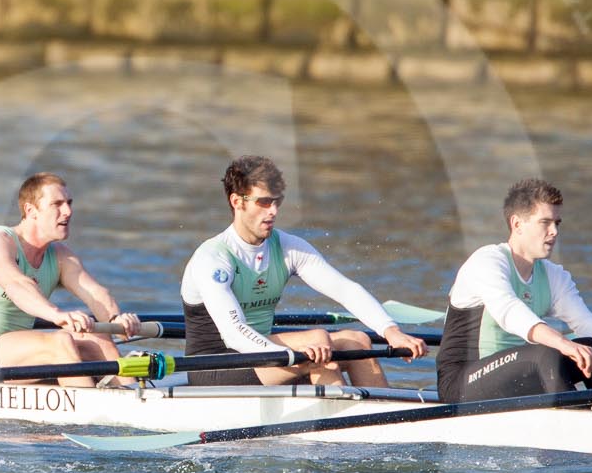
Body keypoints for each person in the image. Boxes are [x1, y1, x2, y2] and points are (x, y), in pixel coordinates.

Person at [180, 155, 426, 387]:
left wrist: (391, 331)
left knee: (357, 341)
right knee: (318, 343)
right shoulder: (213, 258)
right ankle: (337, 424)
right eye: (264, 202)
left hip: (264, 353)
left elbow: (345, 290)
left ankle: (382, 418)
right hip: (215, 365)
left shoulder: (287, 247)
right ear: (237, 202)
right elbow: (233, 333)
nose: (273, 211)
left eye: (277, 201)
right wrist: (292, 356)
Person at [438, 179, 592, 402]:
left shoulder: (553, 275)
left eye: (557, 223)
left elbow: (582, 320)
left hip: (515, 376)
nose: (554, 232)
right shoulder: (486, 261)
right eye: (545, 222)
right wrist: (564, 344)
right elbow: (510, 312)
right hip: (461, 383)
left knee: (591, 346)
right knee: (547, 353)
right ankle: (575, 419)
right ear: (517, 224)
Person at [0, 173, 138, 386]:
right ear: (31, 211)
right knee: (61, 341)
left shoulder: (61, 256)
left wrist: (115, 320)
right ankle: (93, 413)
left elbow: (96, 294)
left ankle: (130, 395)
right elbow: (17, 285)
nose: (68, 211)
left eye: (69, 203)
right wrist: (58, 315)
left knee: (95, 338)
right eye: (57, 204)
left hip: (16, 355)